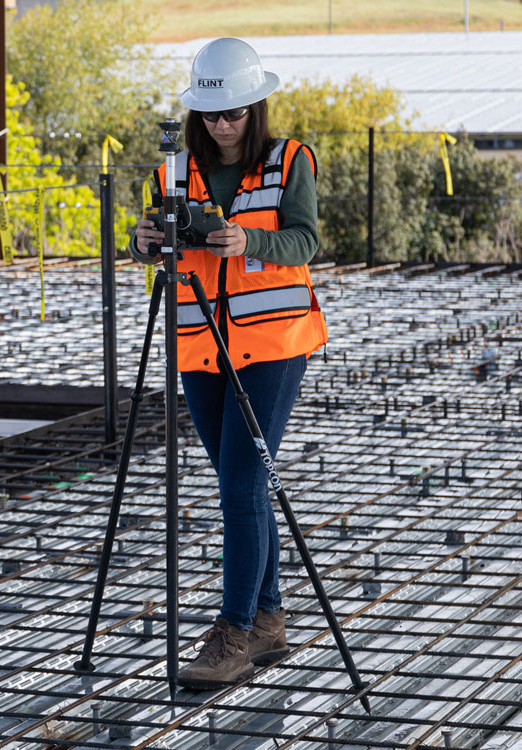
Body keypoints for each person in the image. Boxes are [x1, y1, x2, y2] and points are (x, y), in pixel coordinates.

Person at [130, 37, 327, 690]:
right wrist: (144, 242)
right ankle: (269, 620)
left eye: (234, 113)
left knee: (240, 487)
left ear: (255, 107)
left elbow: (305, 239)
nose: (222, 124)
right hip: (200, 347)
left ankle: (234, 631)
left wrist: (250, 240)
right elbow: (154, 245)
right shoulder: (170, 172)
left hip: (272, 347)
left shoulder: (290, 160)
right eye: (212, 115)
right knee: (243, 488)